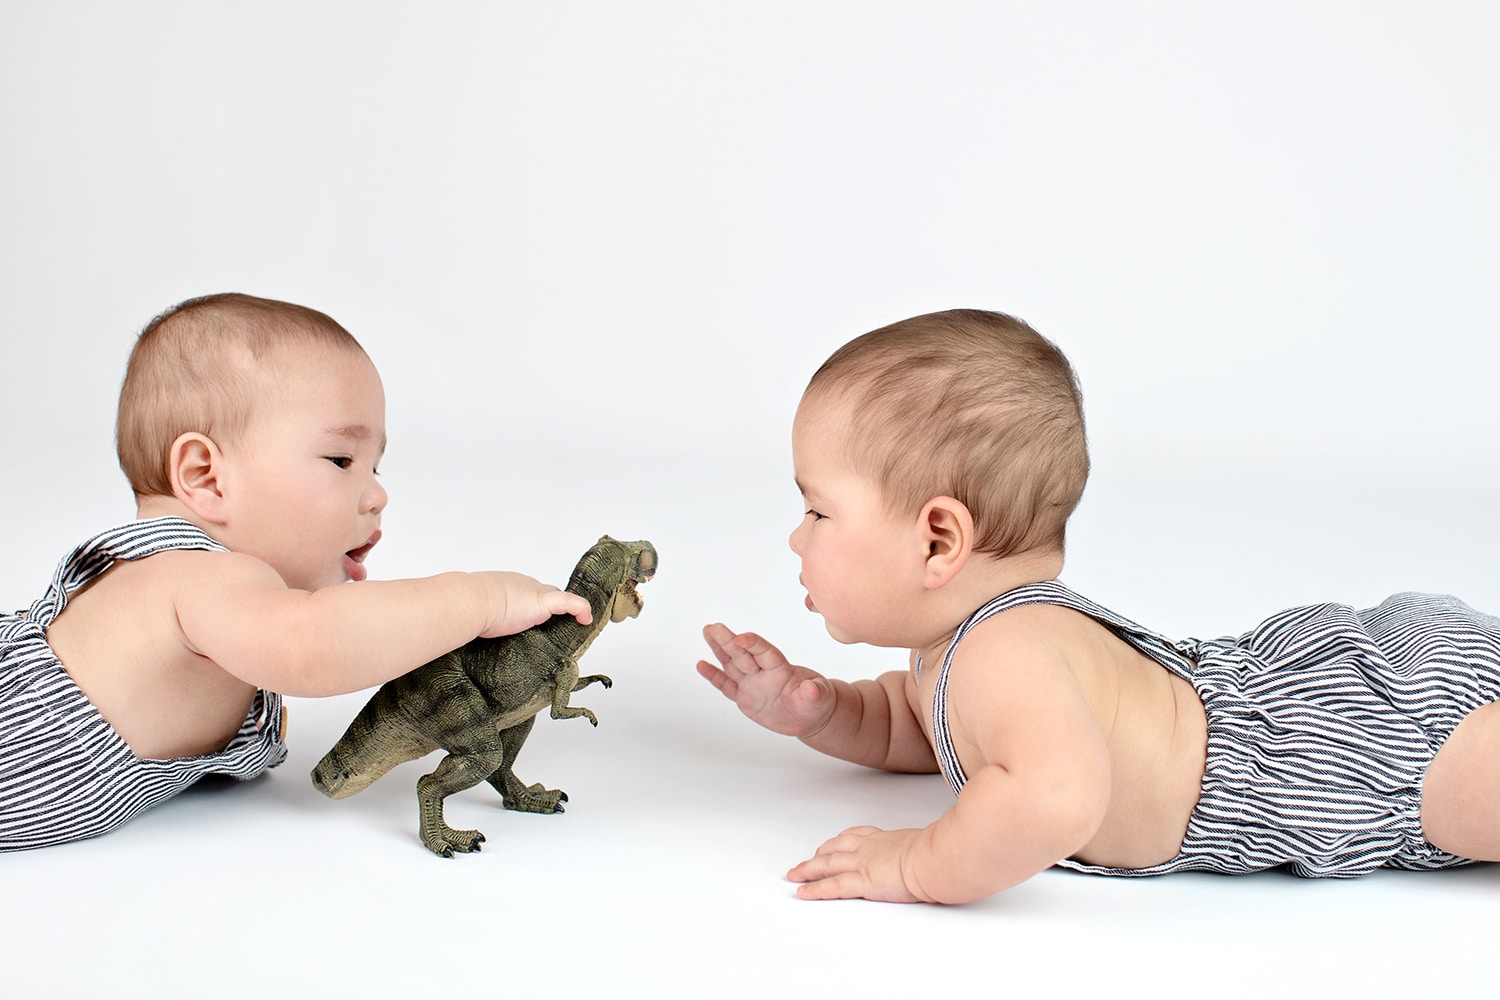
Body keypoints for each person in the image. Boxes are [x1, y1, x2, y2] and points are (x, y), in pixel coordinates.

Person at [697, 308, 1500, 905]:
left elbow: (1055, 799)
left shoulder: (1006, 654)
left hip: (1354, 746)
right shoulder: (962, 650)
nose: (796, 539)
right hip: (1309, 695)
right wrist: (822, 710)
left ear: (939, 541)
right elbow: (927, 729)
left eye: (818, 512)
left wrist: (913, 864)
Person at [0, 293, 591, 851]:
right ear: (206, 477)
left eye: (376, 466)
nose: (378, 493)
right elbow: (315, 643)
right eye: (342, 460)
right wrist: (478, 599)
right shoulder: (195, 575)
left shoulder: (224, 606)